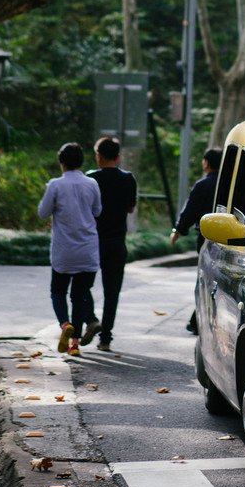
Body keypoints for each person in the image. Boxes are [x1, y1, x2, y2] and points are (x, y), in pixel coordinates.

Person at [38, 142, 101, 357]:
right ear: (81, 162)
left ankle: (65, 325)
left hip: (64, 250)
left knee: (58, 291)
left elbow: (43, 212)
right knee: (80, 295)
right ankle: (74, 344)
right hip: (87, 248)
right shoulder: (92, 183)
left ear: (61, 162)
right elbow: (98, 210)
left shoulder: (55, 185)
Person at [85, 135, 137, 351]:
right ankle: (105, 338)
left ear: (98, 156)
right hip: (117, 242)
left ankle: (90, 319)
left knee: (82, 286)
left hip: (93, 241)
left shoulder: (91, 178)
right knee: (112, 292)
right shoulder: (128, 178)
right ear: (117, 156)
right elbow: (131, 208)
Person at [171, 146, 222, 253]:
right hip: (229, 238)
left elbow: (190, 210)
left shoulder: (202, 185)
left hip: (207, 238)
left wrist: (178, 231)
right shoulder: (232, 185)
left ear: (206, 163)